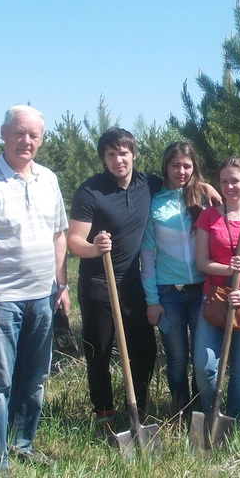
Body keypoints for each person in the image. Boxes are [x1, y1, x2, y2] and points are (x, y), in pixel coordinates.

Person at [0, 105, 69, 473]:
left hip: (42, 296)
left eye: (34, 135)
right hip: (0, 298)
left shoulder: (48, 179)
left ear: (41, 139)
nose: (26, 141)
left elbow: (58, 236)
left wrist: (61, 283)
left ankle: (23, 443)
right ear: (3, 134)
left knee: (35, 378)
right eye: (19, 132)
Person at [68, 128, 162, 431]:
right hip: (99, 284)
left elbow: (184, 182)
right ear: (103, 159)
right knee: (100, 351)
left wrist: (210, 190)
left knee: (144, 351)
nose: (118, 159)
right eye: (111, 154)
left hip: (133, 284)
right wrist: (94, 248)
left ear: (133, 153)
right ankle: (105, 415)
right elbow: (74, 242)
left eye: (123, 152)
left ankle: (138, 409)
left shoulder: (148, 183)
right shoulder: (91, 192)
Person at [194, 157, 240, 421]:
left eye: (235, 180)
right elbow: (201, 261)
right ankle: (210, 414)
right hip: (215, 296)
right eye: (224, 181)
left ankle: (233, 421)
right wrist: (227, 269)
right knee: (205, 366)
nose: (229, 186)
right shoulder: (208, 216)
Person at [140, 140, 209, 422]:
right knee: (178, 359)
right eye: (175, 165)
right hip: (168, 294)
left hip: (202, 291)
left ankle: (202, 413)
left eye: (187, 165)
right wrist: (152, 300)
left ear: (194, 167)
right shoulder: (154, 204)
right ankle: (181, 412)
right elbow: (148, 258)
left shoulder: (204, 200)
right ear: (165, 167)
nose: (181, 171)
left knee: (203, 360)